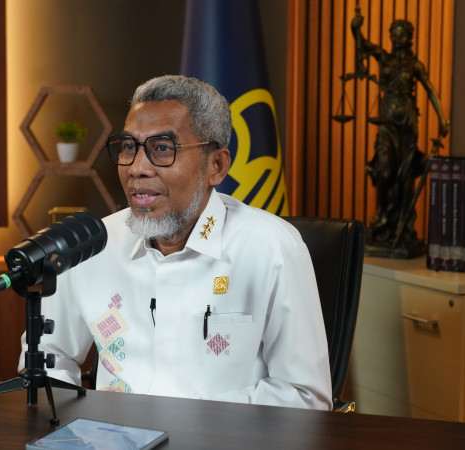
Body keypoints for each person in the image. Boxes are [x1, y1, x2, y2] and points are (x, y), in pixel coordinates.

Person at [19, 75, 332, 410]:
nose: (137, 168)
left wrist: (194, 425)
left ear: (216, 165)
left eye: (163, 148)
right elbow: (49, 357)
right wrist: (75, 425)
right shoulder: (94, 245)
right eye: (129, 147)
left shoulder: (271, 248)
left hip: (220, 436)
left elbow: (306, 396)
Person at [351, 12, 450, 255]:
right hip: (386, 124)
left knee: (405, 178)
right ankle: (383, 218)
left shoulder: (414, 65)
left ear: (409, 38)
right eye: (393, 35)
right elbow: (362, 43)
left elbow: (430, 90)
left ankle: (403, 228)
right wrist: (355, 28)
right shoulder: (383, 57)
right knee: (385, 171)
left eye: (400, 35)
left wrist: (441, 118)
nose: (396, 39)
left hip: (407, 125)